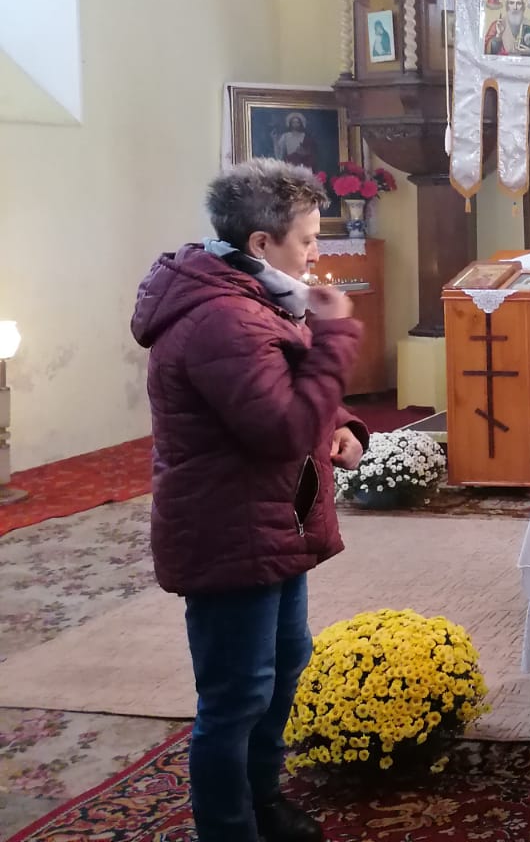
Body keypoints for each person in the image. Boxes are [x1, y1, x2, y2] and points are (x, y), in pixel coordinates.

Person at [131, 158, 369, 842]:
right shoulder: (222, 318)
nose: (317, 253)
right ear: (262, 242)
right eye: (308, 239)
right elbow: (280, 428)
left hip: (269, 520)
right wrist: (337, 336)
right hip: (227, 527)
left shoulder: (254, 295)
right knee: (236, 697)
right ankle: (229, 828)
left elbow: (282, 386)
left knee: (282, 668)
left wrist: (343, 424)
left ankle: (263, 801)